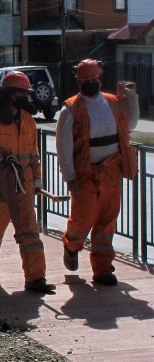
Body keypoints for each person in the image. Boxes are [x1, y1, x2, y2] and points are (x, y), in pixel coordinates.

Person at [0, 71, 54, 293]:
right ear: (10, 94)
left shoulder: (27, 121)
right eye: (21, 93)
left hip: (23, 186)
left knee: (30, 232)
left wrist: (37, 177)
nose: (25, 97)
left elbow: (33, 153)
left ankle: (35, 278)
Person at [57, 59, 139, 286]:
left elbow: (130, 124)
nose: (91, 83)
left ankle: (103, 269)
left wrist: (132, 97)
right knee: (84, 216)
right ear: (79, 81)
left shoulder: (113, 102)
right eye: (87, 80)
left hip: (111, 170)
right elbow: (63, 146)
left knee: (107, 219)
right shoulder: (71, 109)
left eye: (94, 79)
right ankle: (71, 245)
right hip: (85, 173)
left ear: (100, 78)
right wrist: (69, 176)